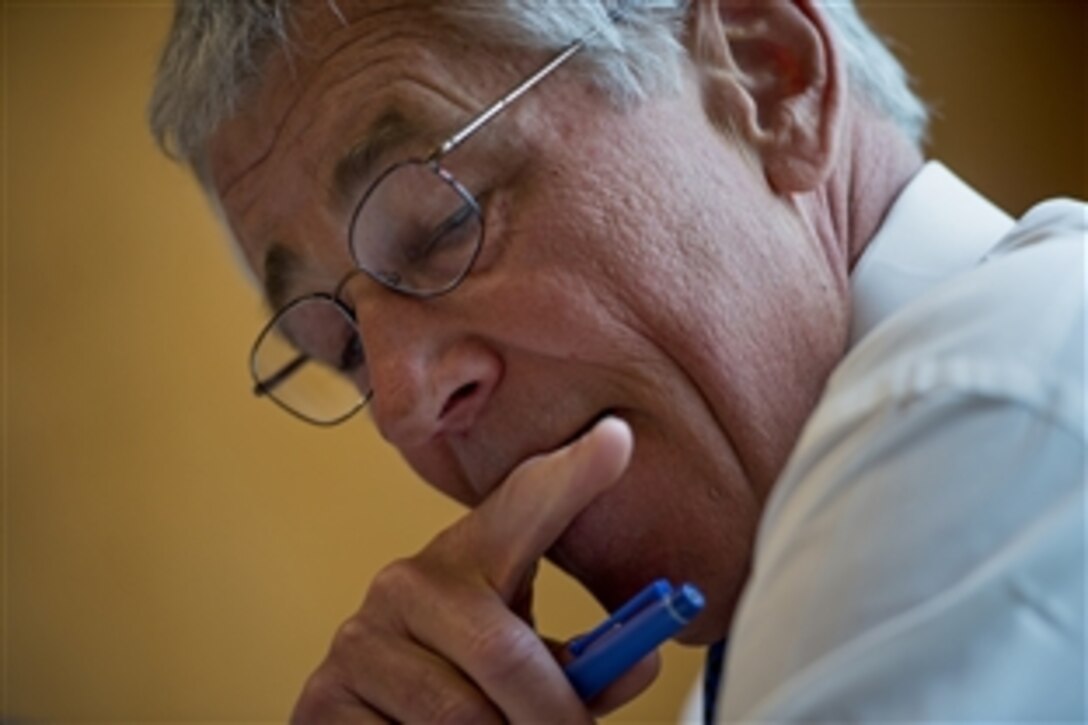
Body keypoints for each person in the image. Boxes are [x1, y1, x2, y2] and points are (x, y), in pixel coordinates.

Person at [149, 0, 1085, 721]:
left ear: (768, 77)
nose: (401, 402)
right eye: (342, 347)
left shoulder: (987, 408)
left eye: (442, 224)